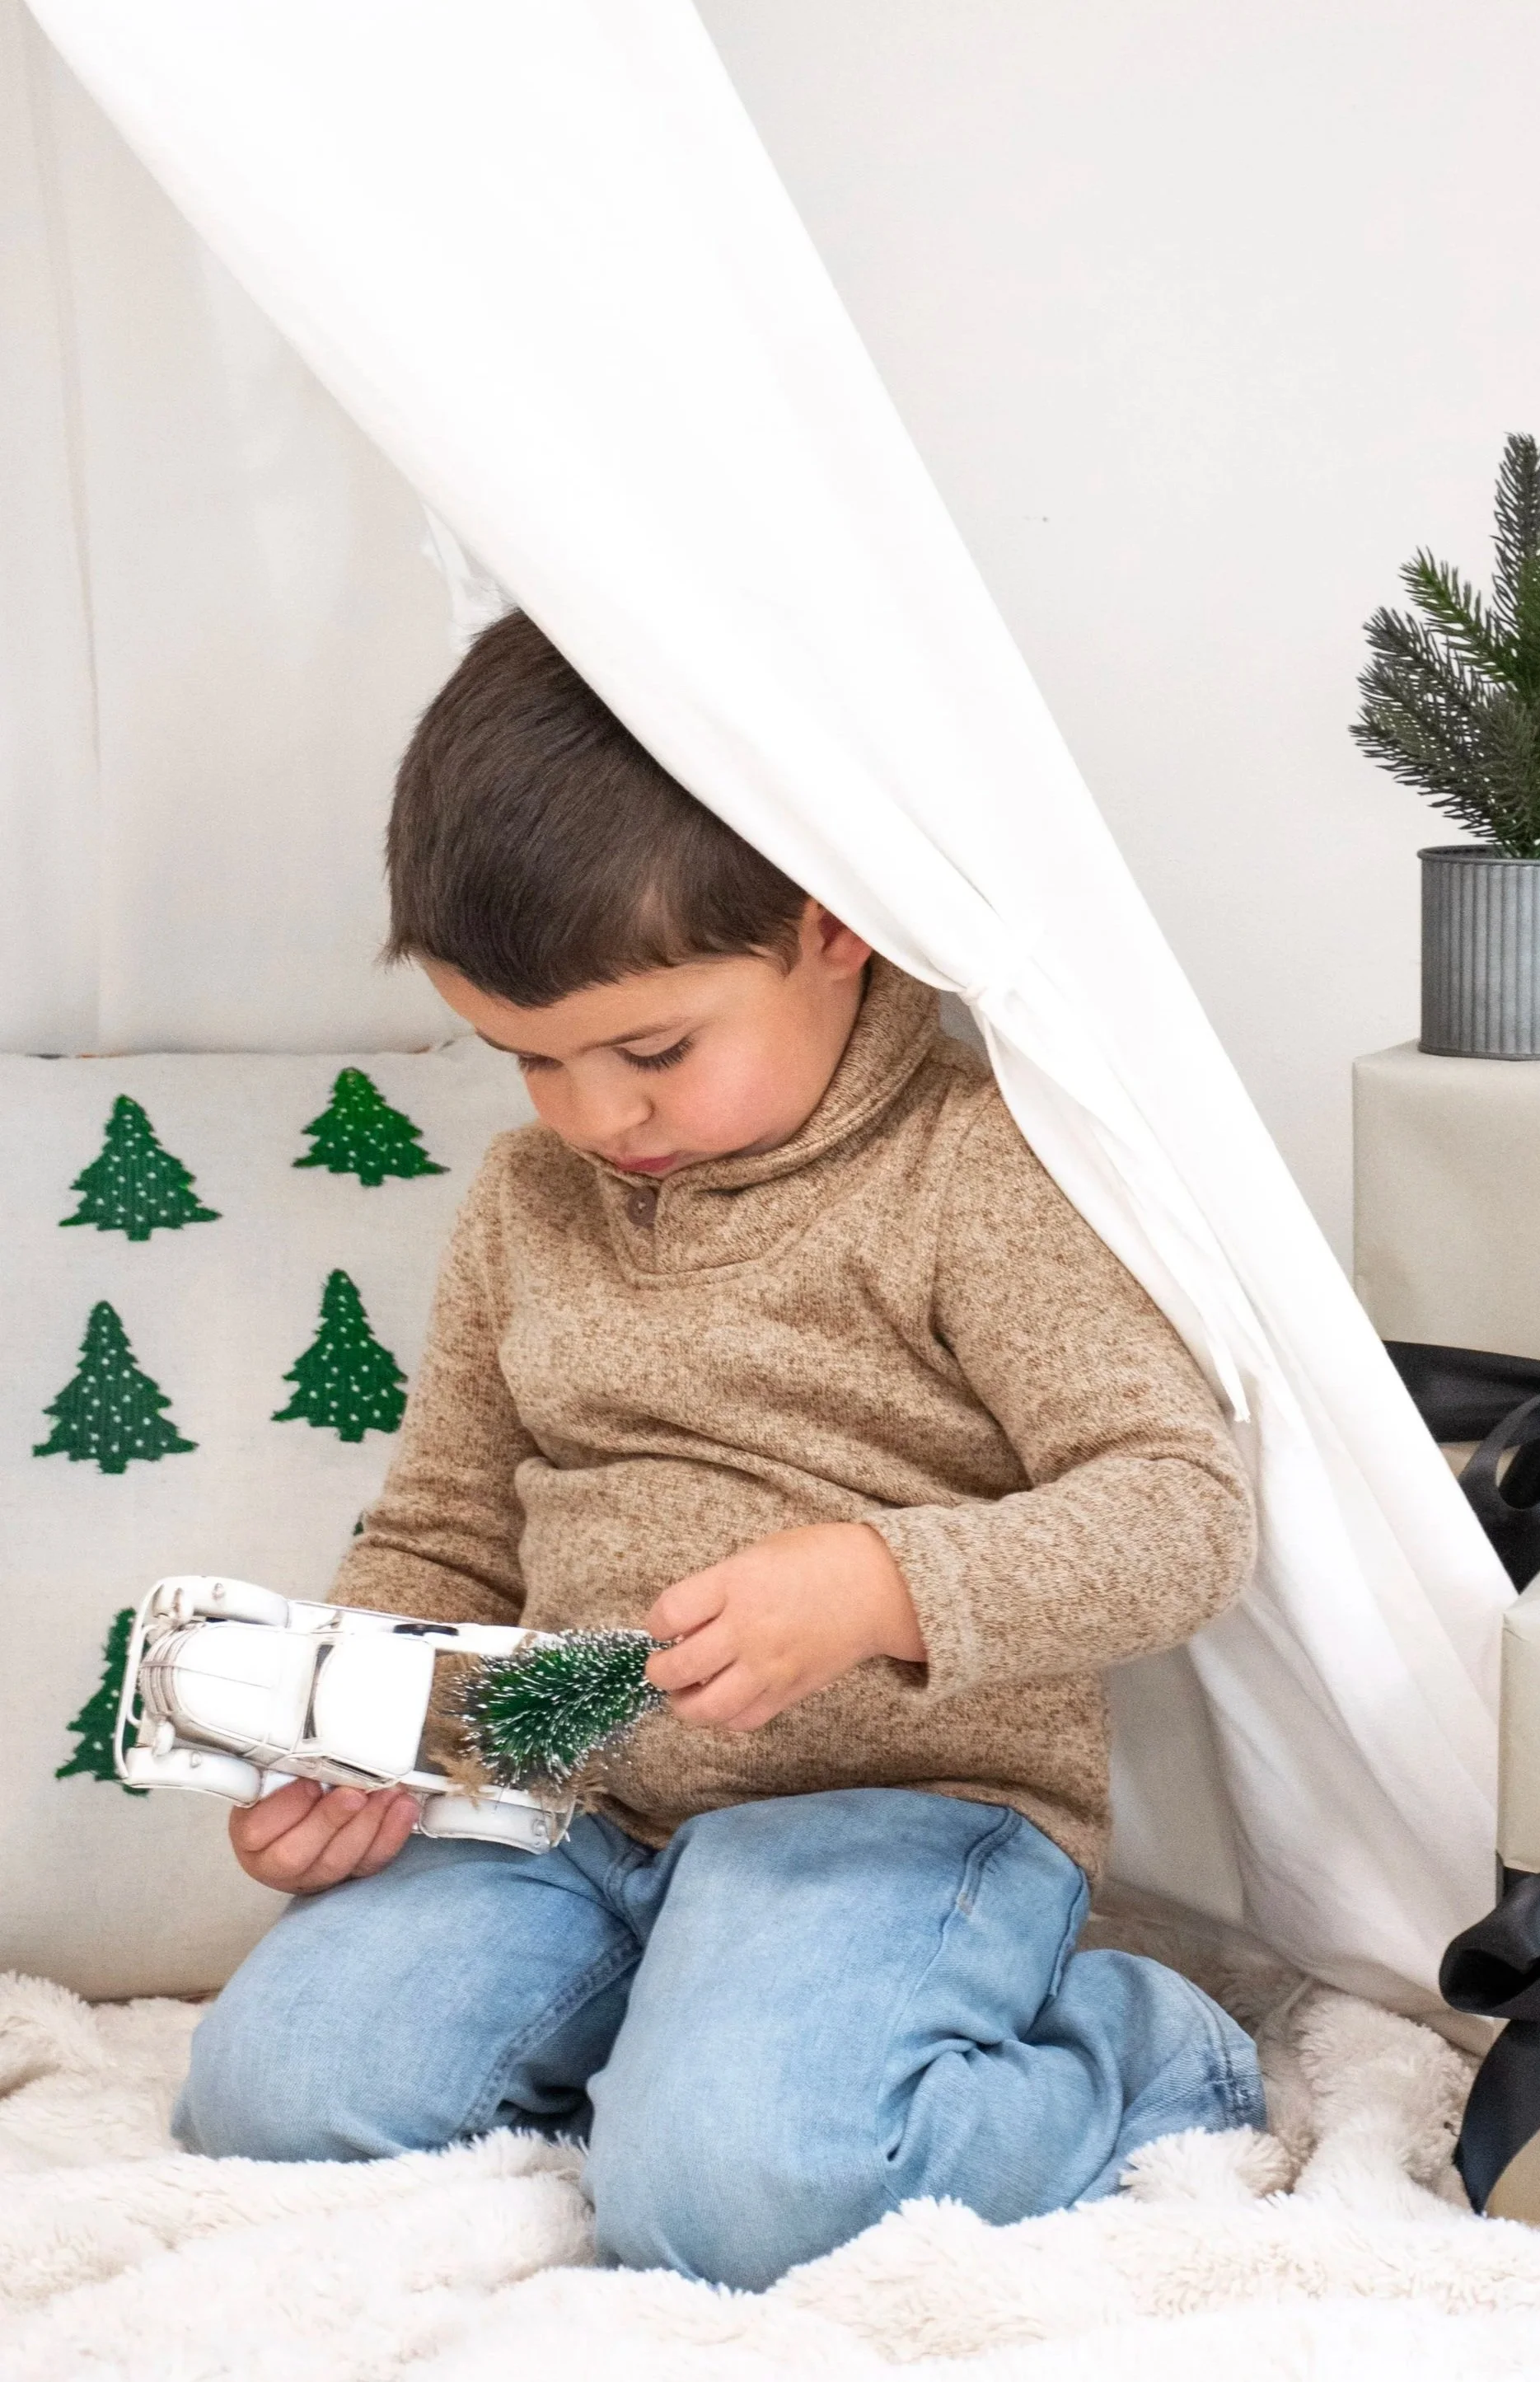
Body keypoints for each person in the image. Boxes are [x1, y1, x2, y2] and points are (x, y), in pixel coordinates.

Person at [175, 611, 1263, 2289]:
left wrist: (887, 1582)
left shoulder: (975, 1174)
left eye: (653, 1050)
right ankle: (685, 2019)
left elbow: (1180, 1517)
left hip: (898, 1813)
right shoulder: (530, 1206)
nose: (596, 1116)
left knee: (744, 2200)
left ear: (832, 930)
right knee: (275, 2091)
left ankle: (1146, 2044)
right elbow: (446, 1527)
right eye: (527, 1059)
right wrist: (358, 1740)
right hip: (572, 1794)